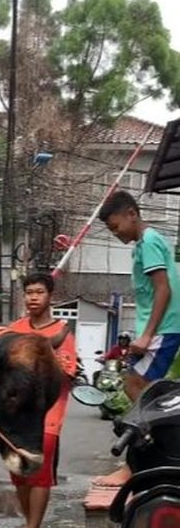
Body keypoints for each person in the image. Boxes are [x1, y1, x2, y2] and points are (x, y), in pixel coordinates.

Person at [93, 190, 180, 486]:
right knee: (145, 392)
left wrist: (147, 335)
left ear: (132, 214)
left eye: (116, 226)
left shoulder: (151, 242)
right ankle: (148, 457)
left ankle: (137, 464)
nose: (115, 233)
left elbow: (163, 290)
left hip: (164, 329)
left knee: (137, 390)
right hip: (161, 329)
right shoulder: (142, 245)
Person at [9, 271, 77, 528]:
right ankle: (29, 523)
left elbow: (66, 373)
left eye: (39, 292)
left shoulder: (62, 332)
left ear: (50, 297)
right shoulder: (14, 329)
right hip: (16, 411)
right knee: (17, 469)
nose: (33, 298)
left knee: (38, 469)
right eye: (29, 293)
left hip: (48, 409)